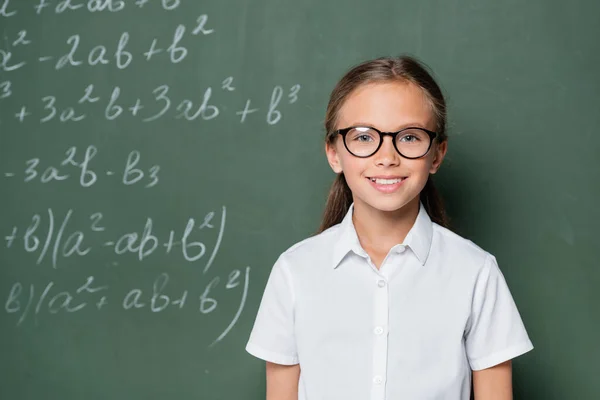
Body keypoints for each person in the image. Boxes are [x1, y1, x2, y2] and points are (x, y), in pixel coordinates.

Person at [245, 55, 533, 400]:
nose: (387, 157)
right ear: (334, 153)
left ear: (436, 155)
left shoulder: (475, 271)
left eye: (410, 137)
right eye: (364, 137)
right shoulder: (295, 271)